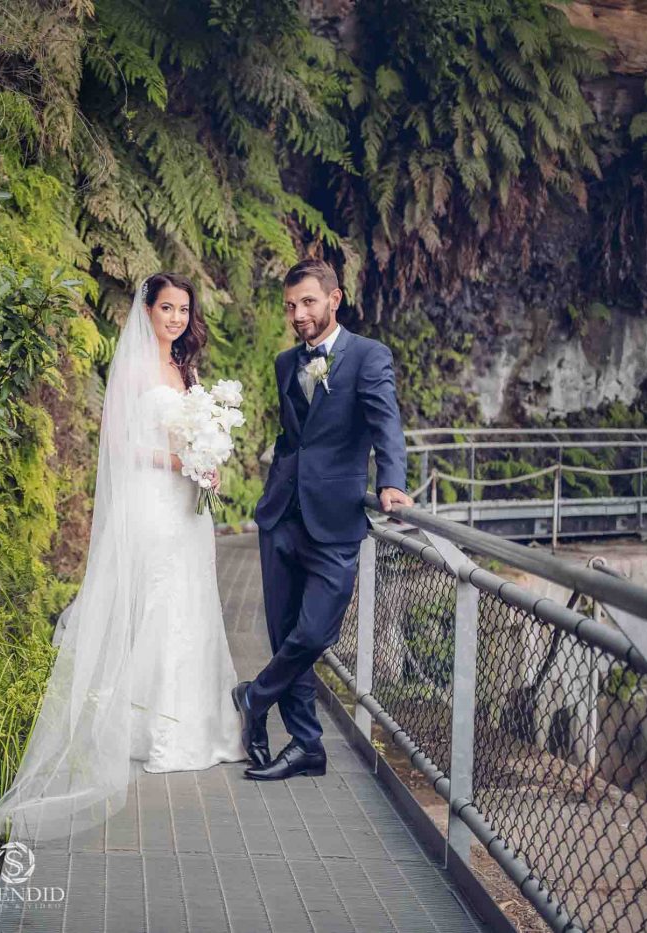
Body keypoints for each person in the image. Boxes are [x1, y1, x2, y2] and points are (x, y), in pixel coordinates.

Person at [0, 272, 243, 863]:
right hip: (151, 501)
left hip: (187, 507)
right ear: (147, 311)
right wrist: (179, 461)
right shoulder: (137, 370)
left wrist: (207, 462)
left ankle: (196, 726)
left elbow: (195, 436)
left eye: (183, 310)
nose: (176, 318)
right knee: (156, 604)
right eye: (167, 308)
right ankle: (150, 730)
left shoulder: (186, 369)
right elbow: (120, 445)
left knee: (192, 604)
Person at [232, 258, 412, 782]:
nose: (298, 314)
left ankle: (254, 696)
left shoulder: (369, 356)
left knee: (314, 632)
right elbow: (294, 438)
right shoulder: (285, 363)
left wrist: (391, 482)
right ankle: (307, 746)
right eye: (290, 305)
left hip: (334, 520)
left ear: (335, 299)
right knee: (286, 633)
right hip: (281, 517)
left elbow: (386, 423)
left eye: (308, 302)